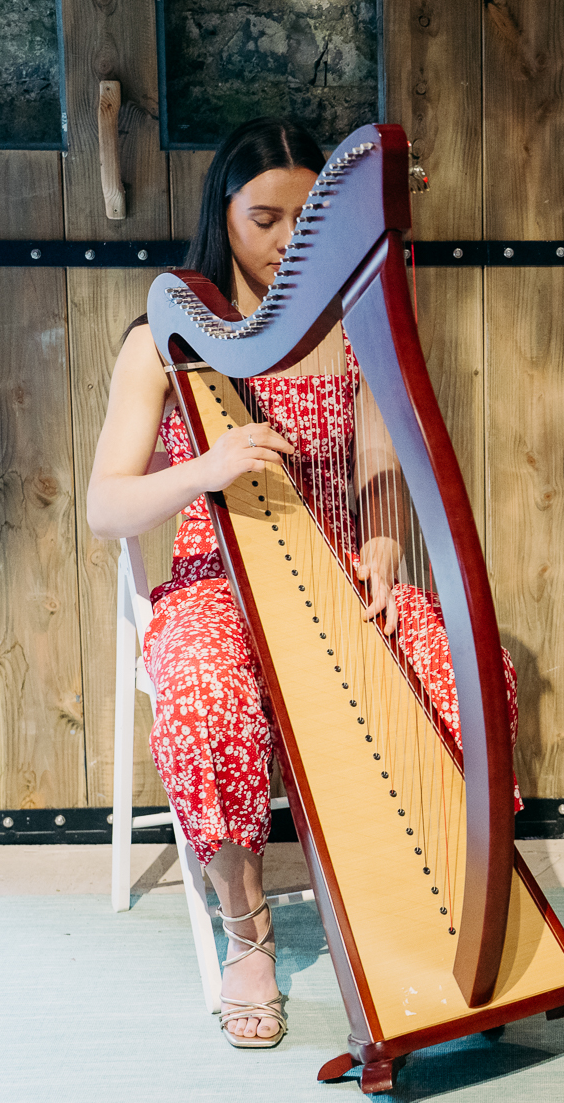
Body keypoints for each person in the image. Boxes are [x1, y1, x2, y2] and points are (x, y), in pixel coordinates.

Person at [85, 117, 515, 1047]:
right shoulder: (160, 345)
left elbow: (379, 474)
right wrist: (205, 468)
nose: (283, 241)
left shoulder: (355, 331)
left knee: (466, 670)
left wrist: (388, 550)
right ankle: (246, 937)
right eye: (262, 218)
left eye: (301, 220)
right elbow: (105, 508)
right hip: (212, 578)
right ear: (223, 217)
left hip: (334, 575)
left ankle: (434, 901)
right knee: (206, 698)